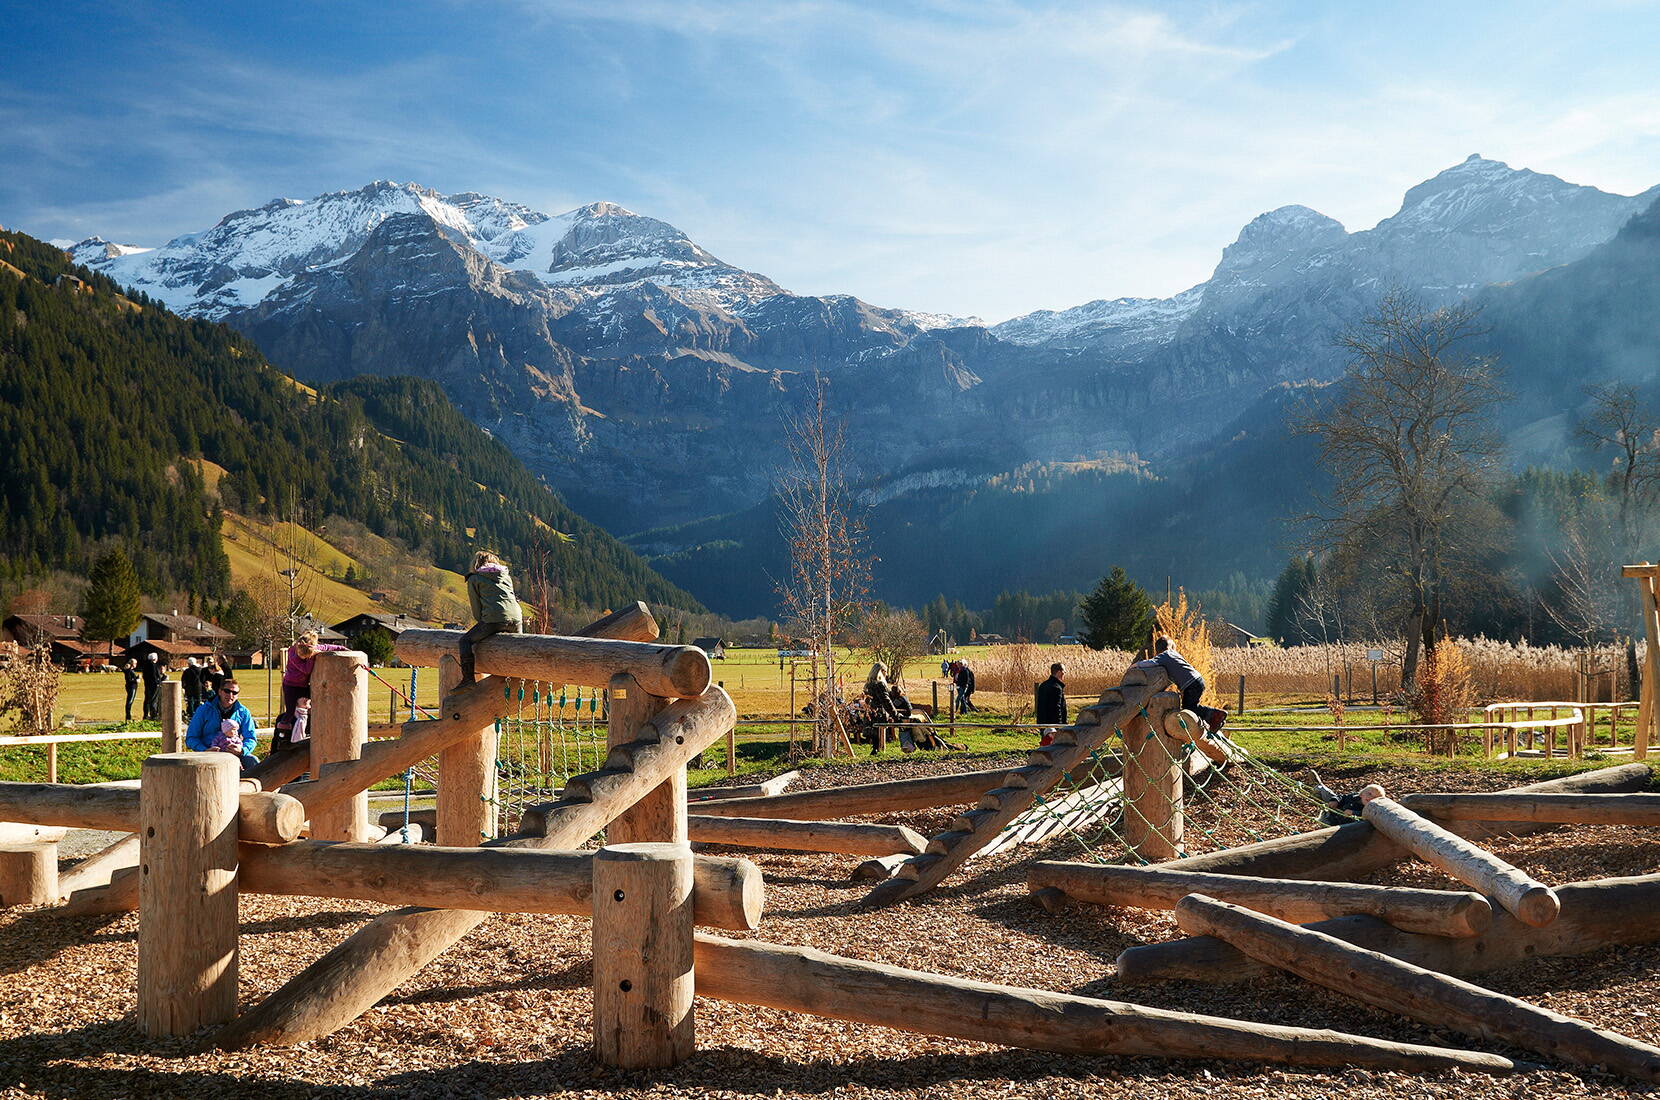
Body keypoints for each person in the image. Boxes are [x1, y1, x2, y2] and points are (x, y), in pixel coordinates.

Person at [459, 550, 523, 687]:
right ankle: (518, 680)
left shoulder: (474, 579)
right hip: (517, 617)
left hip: (494, 618)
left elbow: (476, 609)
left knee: (464, 641)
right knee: (517, 648)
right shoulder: (506, 576)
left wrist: (483, 623)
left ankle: (468, 680)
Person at [1137, 636, 1226, 733]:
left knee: (1188, 708)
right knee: (1192, 706)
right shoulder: (1174, 654)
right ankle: (1212, 719)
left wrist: (1135, 666)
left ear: (1158, 649)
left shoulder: (1164, 655)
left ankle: (1215, 714)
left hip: (1191, 684)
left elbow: (1148, 663)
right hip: (1197, 680)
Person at [277, 631, 344, 752]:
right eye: (303, 657)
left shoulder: (316, 647)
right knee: (290, 712)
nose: (304, 659)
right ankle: (283, 740)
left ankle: (309, 732)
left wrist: (346, 650)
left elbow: (333, 647)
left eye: (307, 657)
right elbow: (306, 669)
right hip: (291, 686)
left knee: (316, 702)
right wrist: (312, 657)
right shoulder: (293, 652)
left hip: (303, 685)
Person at [185, 677, 259, 773]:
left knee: (253, 762)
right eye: (227, 691)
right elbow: (191, 738)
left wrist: (242, 750)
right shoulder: (203, 710)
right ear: (220, 691)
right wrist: (204, 750)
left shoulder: (243, 712)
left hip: (234, 754)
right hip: (208, 755)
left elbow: (251, 738)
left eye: (235, 693)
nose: (230, 695)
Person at [1036, 662, 1067, 747]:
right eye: (1064, 672)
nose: (1064, 674)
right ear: (1059, 672)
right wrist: (1059, 726)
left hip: (1043, 723)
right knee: (1054, 750)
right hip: (1053, 726)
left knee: (1045, 747)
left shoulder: (1043, 685)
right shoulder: (1056, 687)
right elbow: (1056, 708)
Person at [140, 651, 164, 720]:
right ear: (155, 659)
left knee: (147, 700)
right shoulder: (153, 666)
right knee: (154, 700)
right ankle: (153, 715)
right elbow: (154, 676)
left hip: (147, 685)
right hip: (154, 686)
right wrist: (158, 683)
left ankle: (145, 715)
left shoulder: (145, 665)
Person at [120, 658, 139, 723]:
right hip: (131, 687)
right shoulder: (129, 671)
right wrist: (136, 680)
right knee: (129, 702)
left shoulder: (130, 670)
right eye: (135, 663)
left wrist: (137, 677)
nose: (136, 664)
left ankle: (128, 716)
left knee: (130, 701)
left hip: (132, 687)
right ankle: (128, 717)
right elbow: (129, 680)